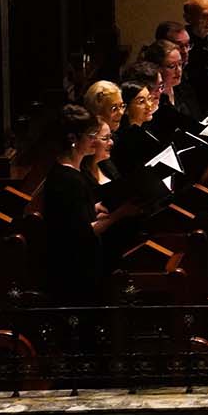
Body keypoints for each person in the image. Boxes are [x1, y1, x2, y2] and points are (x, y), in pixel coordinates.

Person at [42, 105, 137, 303]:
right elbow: (84, 232)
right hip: (77, 268)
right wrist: (119, 214)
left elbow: (71, 212)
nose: (95, 140)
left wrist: (93, 207)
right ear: (73, 139)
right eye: (90, 135)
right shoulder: (69, 179)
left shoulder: (69, 172)